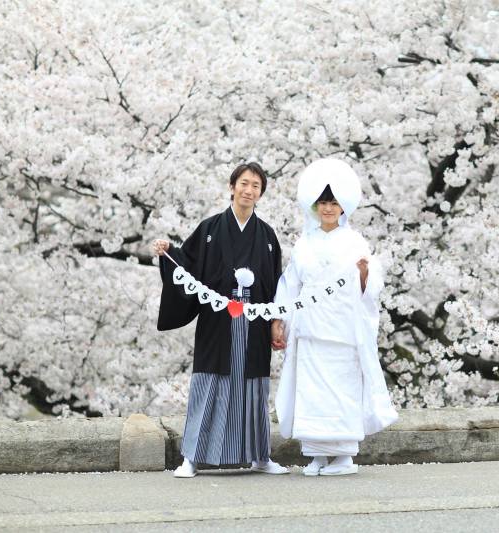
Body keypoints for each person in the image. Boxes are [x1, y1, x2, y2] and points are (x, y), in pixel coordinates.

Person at [152, 161, 288, 477]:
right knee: (210, 382)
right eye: (244, 183)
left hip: (253, 320)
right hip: (218, 319)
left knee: (253, 387)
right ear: (231, 187)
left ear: (261, 193)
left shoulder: (267, 235)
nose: (248, 189)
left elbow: (275, 282)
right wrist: (168, 252)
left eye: (256, 185)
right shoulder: (210, 230)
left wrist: (274, 321)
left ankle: (260, 456)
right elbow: (186, 265)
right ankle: (192, 457)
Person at [272, 158, 398, 476]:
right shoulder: (305, 242)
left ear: (343, 207)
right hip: (310, 326)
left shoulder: (354, 241)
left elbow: (371, 285)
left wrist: (366, 274)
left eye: (334, 203)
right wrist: (279, 318)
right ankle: (316, 454)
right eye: (323, 203)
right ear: (315, 207)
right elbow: (291, 283)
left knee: (340, 388)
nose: (328, 209)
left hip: (342, 327)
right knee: (312, 390)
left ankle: (343, 457)